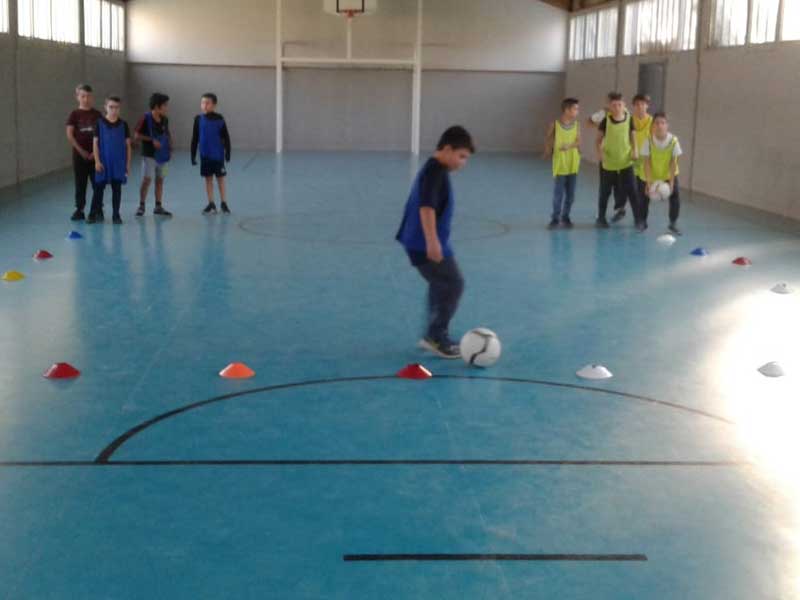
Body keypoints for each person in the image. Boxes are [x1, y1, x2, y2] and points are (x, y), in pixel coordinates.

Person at [395, 126, 475, 359]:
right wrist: (432, 242)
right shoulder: (436, 172)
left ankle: (433, 332)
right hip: (423, 242)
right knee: (453, 283)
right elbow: (427, 208)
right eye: (461, 156)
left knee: (440, 283)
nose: (463, 163)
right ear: (447, 149)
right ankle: (435, 336)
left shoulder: (435, 170)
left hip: (419, 240)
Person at [596, 92, 641, 230]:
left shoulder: (629, 119)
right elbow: (598, 140)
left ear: (624, 106)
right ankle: (601, 218)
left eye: (619, 105)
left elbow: (633, 137)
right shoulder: (605, 121)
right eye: (614, 105)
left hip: (625, 162)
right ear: (609, 106)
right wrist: (600, 153)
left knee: (633, 191)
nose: (617, 108)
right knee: (605, 191)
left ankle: (639, 220)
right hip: (609, 163)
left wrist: (635, 150)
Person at [89, 96, 131, 225]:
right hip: (103, 162)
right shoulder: (99, 123)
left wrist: (127, 164)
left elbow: (128, 146)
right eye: (111, 107)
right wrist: (97, 161)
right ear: (105, 107)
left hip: (118, 163)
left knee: (116, 189)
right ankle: (92, 213)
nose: (114, 110)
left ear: (119, 108)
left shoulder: (124, 125)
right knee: (98, 189)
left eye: (116, 107)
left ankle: (116, 215)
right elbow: (95, 143)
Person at [614, 94, 653, 223]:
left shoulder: (652, 122)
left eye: (643, 104)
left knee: (641, 192)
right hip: (629, 159)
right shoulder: (628, 120)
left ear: (647, 106)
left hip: (645, 162)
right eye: (637, 104)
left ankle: (641, 218)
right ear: (633, 106)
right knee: (623, 188)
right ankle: (621, 210)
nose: (640, 107)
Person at [65, 84, 102, 221]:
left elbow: (102, 135)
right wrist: (81, 151)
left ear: (92, 97)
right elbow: (70, 134)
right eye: (83, 96)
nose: (86, 99)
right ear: (77, 97)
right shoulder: (74, 114)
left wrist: (94, 152)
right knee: (80, 183)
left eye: (88, 96)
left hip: (95, 156)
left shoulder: (97, 115)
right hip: (79, 156)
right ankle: (79, 209)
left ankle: (98, 208)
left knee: (97, 183)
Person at [642, 112, 683, 235]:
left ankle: (673, 223)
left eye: (663, 123)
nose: (660, 126)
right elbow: (646, 162)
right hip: (653, 174)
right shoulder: (648, 140)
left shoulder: (674, 141)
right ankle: (642, 222)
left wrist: (671, 182)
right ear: (653, 125)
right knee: (643, 196)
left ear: (667, 125)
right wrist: (649, 182)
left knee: (675, 197)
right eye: (657, 123)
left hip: (669, 174)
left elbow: (673, 162)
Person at [190, 93, 232, 214]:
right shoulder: (198, 119)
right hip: (205, 156)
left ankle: (224, 203)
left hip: (217, 155)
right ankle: (211, 203)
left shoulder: (220, 119)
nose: (204, 105)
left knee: (220, 179)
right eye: (202, 102)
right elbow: (195, 138)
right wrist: (192, 155)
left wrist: (228, 152)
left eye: (207, 103)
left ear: (214, 105)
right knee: (208, 179)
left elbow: (226, 137)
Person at [134, 92, 173, 217]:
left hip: (163, 156)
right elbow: (136, 136)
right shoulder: (145, 118)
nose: (167, 108)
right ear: (157, 106)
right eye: (165, 105)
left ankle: (158, 206)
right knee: (147, 179)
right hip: (149, 155)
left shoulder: (165, 119)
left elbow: (167, 133)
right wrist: (152, 140)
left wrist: (170, 145)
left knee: (160, 180)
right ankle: (141, 206)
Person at [544, 98, 581, 229]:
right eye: (575, 108)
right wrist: (548, 150)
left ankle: (566, 217)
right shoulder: (554, 124)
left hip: (573, 164)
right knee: (558, 194)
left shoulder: (576, 125)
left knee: (570, 195)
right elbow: (548, 138)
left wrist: (570, 146)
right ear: (566, 110)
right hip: (560, 164)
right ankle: (555, 218)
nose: (577, 111)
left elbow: (578, 142)